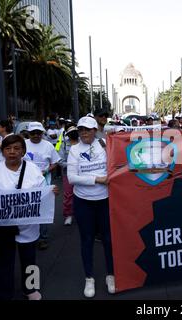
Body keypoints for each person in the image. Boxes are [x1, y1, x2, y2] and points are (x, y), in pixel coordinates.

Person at [0, 134, 59, 300]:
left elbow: (41, 191)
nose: (12, 152)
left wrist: (51, 192)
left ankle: (30, 289)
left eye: (17, 148)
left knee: (30, 260)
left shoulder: (32, 169)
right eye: (8, 148)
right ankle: (5, 294)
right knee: (5, 263)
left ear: (23, 151)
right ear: (2, 152)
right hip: (4, 227)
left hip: (28, 226)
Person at [67, 116, 114, 297]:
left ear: (95, 130)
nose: (84, 133)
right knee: (86, 241)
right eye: (81, 130)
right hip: (83, 201)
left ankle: (111, 275)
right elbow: (72, 178)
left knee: (109, 240)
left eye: (87, 129)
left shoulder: (104, 144)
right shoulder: (74, 150)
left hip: (105, 200)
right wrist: (97, 179)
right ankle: (89, 278)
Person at [24, 122, 61, 250]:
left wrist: (46, 170)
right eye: (33, 133)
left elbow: (55, 162)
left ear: (42, 133)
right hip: (25, 183)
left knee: (43, 211)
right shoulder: (23, 144)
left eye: (38, 133)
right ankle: (29, 236)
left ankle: (43, 238)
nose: (35, 135)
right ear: (28, 133)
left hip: (44, 183)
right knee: (27, 209)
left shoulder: (48, 145)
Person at [58, 125, 79, 226]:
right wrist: (72, 164)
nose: (74, 134)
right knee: (68, 194)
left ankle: (81, 214)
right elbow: (60, 160)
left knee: (82, 193)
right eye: (71, 133)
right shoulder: (63, 144)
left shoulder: (83, 144)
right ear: (68, 135)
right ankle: (68, 215)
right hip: (67, 173)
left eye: (75, 132)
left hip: (82, 173)